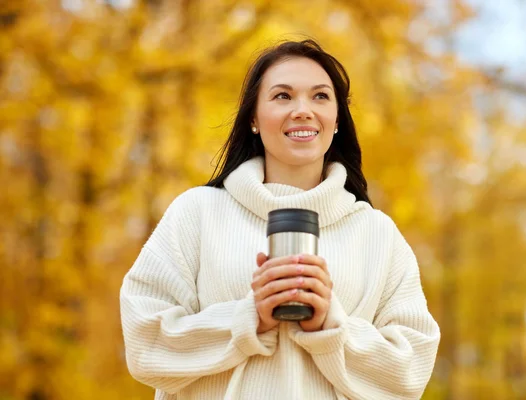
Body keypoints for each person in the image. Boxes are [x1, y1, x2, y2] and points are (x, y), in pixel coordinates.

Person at [120, 39, 440, 400]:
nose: (303, 110)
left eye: (320, 96)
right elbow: (144, 343)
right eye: (283, 96)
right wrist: (248, 318)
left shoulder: (377, 234)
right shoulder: (197, 213)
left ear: (337, 121)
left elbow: (410, 372)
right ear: (253, 118)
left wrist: (330, 327)